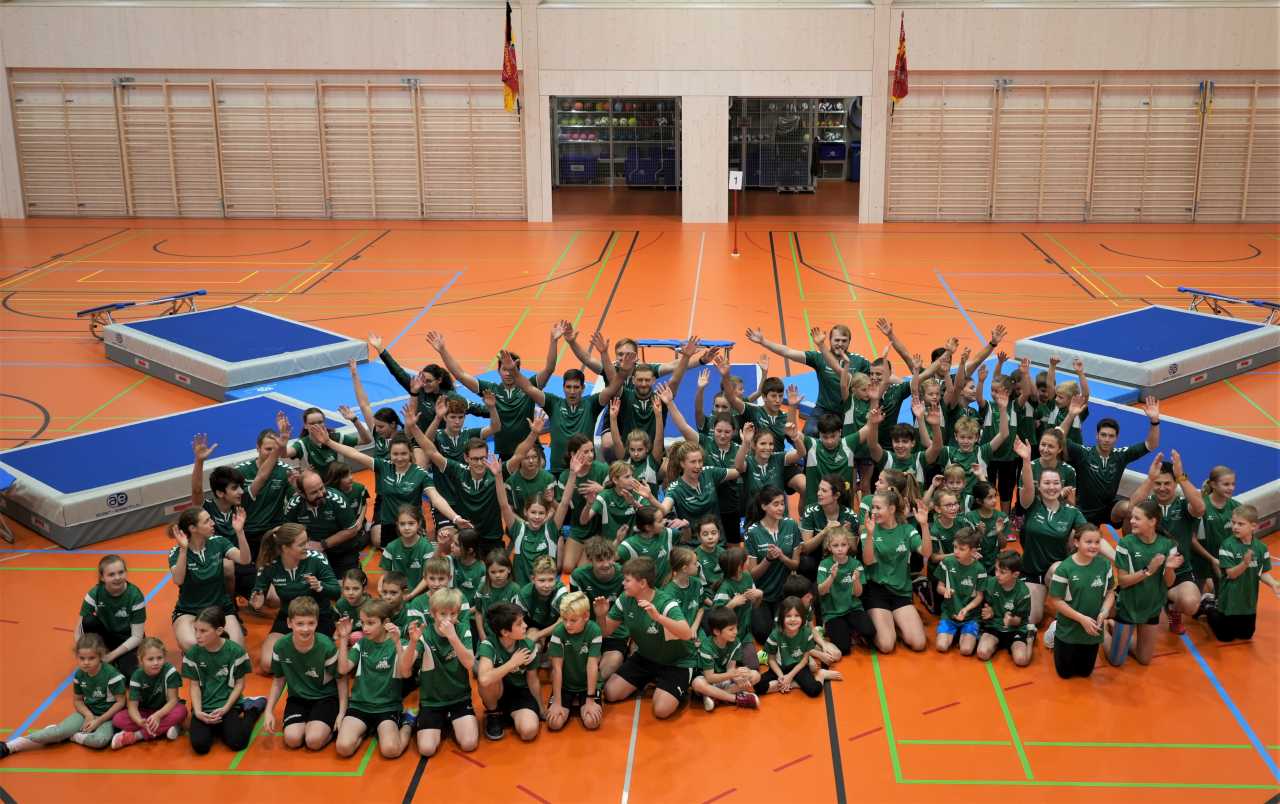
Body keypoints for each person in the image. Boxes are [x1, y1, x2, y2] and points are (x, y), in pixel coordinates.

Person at [312, 422, 467, 548]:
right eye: (395, 454)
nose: (399, 458)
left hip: (413, 526)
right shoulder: (383, 466)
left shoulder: (420, 474)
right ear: (390, 454)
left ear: (410, 453)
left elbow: (436, 498)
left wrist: (455, 518)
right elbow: (354, 454)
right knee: (393, 565)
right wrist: (328, 442)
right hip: (389, 526)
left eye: (403, 454)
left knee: (416, 565)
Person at [427, 327, 560, 462]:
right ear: (498, 371)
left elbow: (549, 369)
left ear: (517, 371)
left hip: (530, 450)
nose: (508, 373)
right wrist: (443, 350)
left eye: (511, 369)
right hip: (506, 453)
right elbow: (460, 375)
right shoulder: (491, 390)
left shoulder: (529, 386)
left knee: (540, 468)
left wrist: (553, 341)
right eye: (504, 369)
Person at [603, 556, 698, 720]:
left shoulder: (665, 603)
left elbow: (686, 633)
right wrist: (601, 615)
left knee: (661, 710)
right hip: (647, 657)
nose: (623, 584)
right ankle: (654, 679)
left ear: (642, 583)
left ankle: (681, 685)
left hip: (677, 662)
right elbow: (606, 631)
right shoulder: (625, 599)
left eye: (627, 580)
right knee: (610, 693)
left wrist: (658, 617)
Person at [0, 634, 124, 757]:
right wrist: (88, 715)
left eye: (91, 658)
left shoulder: (112, 675)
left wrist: (99, 721)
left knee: (99, 741)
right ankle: (9, 746)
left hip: (107, 717)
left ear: (101, 656)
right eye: (82, 658)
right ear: (76, 656)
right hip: (87, 713)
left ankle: (71, 736)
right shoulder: (79, 674)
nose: (86, 663)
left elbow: (121, 702)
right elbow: (78, 700)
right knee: (57, 732)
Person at [505, 345, 622, 472]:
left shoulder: (591, 404)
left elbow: (613, 386)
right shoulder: (553, 403)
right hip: (558, 471)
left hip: (585, 470)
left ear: (583, 388)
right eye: (568, 387)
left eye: (576, 387)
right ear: (563, 387)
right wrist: (513, 371)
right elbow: (528, 388)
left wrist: (605, 355)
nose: (572, 391)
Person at [1013, 437, 1089, 627]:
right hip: (1033, 572)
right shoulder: (1032, 504)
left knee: (1058, 569)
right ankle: (1047, 599)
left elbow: (1090, 535)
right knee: (1033, 619)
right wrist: (1026, 460)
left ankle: (1064, 614)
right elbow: (1027, 487)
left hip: (1056, 571)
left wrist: (1116, 556)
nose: (1052, 487)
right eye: (1046, 483)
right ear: (1039, 486)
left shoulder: (1071, 511)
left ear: (1061, 485)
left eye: (1056, 483)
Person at [1128, 451, 1205, 634]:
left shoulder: (1183, 505)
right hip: (1149, 571)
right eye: (1158, 483)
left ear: (1175, 483)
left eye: (1167, 483)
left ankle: (1171, 605)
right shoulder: (1147, 505)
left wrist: (1181, 476)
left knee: (1191, 603)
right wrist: (1150, 479)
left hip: (1180, 572)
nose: (1162, 488)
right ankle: (1159, 596)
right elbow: (1131, 507)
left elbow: (1200, 508)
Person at [745, 323, 870, 435]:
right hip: (823, 409)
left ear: (849, 342)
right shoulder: (819, 357)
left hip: (849, 410)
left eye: (844, 341)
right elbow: (788, 352)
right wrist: (763, 341)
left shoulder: (859, 361)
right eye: (837, 340)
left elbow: (876, 375)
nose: (840, 344)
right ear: (830, 340)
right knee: (809, 432)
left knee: (850, 439)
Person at [250, 523, 340, 674]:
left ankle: (296, 662)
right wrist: (257, 600)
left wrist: (320, 586)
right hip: (288, 616)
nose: (307, 546)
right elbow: (258, 590)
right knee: (267, 664)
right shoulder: (270, 564)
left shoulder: (316, 559)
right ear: (285, 548)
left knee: (319, 663)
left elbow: (336, 591)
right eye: (301, 544)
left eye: (307, 541)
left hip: (318, 616)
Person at [661, 383, 745, 543]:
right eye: (719, 431)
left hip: (729, 507)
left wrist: (746, 444)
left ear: (733, 432)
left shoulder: (738, 449)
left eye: (727, 432)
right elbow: (683, 427)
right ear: (713, 429)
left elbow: (741, 469)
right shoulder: (705, 442)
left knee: (731, 545)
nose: (722, 435)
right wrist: (670, 403)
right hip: (706, 505)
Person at [401, 588, 479, 756]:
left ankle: (451, 719)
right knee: (427, 749)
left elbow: (469, 663)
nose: (448, 619)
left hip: (459, 698)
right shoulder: (424, 634)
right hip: (432, 702)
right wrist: (413, 643)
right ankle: (412, 720)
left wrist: (452, 637)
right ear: (433, 613)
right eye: (443, 614)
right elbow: (404, 669)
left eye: (453, 614)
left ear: (458, 613)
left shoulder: (462, 629)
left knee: (469, 744)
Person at [1061, 396, 1161, 527]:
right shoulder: (1083, 453)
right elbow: (1058, 438)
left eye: (1111, 436)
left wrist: (1154, 421)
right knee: (1087, 536)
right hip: (1083, 511)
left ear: (1116, 438)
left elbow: (1151, 445)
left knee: (1130, 509)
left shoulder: (1121, 455)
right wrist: (1071, 415)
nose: (1107, 439)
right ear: (1097, 436)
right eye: (1103, 435)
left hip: (1109, 509)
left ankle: (1128, 540)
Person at [263, 596, 345, 751]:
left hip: (325, 698)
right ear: (289, 623)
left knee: (313, 741)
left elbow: (341, 680)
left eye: (310, 623)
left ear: (317, 622)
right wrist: (269, 711)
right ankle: (314, 724)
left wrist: (341, 713)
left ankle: (327, 729)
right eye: (300, 623)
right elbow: (278, 681)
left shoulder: (326, 646)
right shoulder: (281, 646)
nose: (306, 629)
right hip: (298, 699)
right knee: (292, 740)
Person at [334, 601, 413, 759]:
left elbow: (406, 673)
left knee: (391, 750)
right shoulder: (362, 643)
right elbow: (343, 669)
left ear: (385, 623)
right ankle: (366, 729)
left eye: (370, 623)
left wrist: (397, 642)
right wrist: (343, 638)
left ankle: (408, 723)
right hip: (360, 705)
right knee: (343, 748)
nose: (365, 628)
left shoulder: (400, 643)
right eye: (363, 623)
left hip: (387, 707)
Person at [183, 607, 266, 754]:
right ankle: (219, 727)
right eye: (195, 630)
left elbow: (239, 684)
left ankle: (252, 709)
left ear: (219, 631)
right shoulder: (193, 654)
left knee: (237, 742)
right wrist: (198, 712)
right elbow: (194, 686)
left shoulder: (235, 652)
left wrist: (226, 708)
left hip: (228, 705)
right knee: (200, 746)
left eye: (203, 631)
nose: (197, 635)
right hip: (204, 706)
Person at [1105, 500, 1178, 667]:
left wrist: (1169, 568)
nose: (1131, 521)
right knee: (1117, 661)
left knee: (1144, 660)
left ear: (1152, 521)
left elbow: (1169, 583)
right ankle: (1104, 633)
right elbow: (1123, 582)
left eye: (1137, 518)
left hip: (1151, 607)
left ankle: (1116, 630)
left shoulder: (1167, 545)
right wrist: (1148, 570)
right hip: (1128, 606)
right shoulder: (1126, 543)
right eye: (1132, 517)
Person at [168, 506, 249, 652]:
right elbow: (178, 580)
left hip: (220, 608)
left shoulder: (219, 542)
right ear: (193, 528)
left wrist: (240, 532)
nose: (213, 523)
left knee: (236, 649)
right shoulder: (176, 552)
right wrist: (184, 550)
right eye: (206, 521)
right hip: (189, 610)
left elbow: (245, 559)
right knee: (193, 646)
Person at [368, 333, 488, 431]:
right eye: (423, 380)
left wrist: (495, 409)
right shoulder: (417, 388)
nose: (424, 384)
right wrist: (380, 349)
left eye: (429, 381)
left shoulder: (451, 397)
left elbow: (479, 410)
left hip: (439, 443)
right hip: (418, 439)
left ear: (439, 380)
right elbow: (397, 371)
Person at [861, 489, 932, 653]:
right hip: (877, 591)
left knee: (919, 644)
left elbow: (926, 553)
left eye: (878, 508)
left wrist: (924, 525)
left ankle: (895, 625)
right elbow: (868, 561)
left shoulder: (906, 530)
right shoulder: (869, 530)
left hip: (901, 592)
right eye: (873, 508)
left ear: (892, 509)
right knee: (886, 645)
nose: (873, 512)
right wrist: (870, 535)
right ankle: (884, 625)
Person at [1047, 527, 1115, 679]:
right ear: (1076, 542)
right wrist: (1082, 619)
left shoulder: (1105, 565)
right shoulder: (1064, 568)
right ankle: (1053, 630)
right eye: (1088, 542)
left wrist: (1104, 611)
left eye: (1097, 542)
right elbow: (1056, 601)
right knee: (1065, 674)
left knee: (1085, 673)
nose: (1093, 546)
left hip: (1092, 631)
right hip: (1069, 631)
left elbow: (1110, 592)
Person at [495, 455, 569, 585]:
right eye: (533, 512)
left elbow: (564, 504)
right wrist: (498, 476)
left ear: (546, 514)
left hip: (547, 587)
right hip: (523, 589)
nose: (537, 516)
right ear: (525, 512)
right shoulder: (518, 529)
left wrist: (573, 473)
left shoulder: (550, 529)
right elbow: (504, 506)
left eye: (541, 513)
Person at [1209, 505, 1279, 642]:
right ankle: (1209, 608)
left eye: (1240, 524)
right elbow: (1231, 574)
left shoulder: (1261, 548)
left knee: (1246, 635)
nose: (1235, 527)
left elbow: (1262, 572)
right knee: (1225, 637)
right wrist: (1244, 564)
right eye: (1233, 523)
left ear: (1253, 526)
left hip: (1248, 602)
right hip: (1229, 601)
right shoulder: (1227, 545)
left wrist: (1273, 584)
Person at [744, 486, 802, 645]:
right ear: (764, 506)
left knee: (786, 630)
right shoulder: (752, 532)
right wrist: (768, 559)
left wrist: (782, 557)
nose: (781, 508)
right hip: (762, 595)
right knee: (763, 633)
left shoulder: (791, 525)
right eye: (775, 504)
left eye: (782, 503)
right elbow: (752, 575)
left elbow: (795, 565)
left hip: (784, 593)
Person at [476, 602, 543, 742]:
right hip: (498, 693)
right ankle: (494, 714)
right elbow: (484, 679)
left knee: (529, 732)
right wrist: (512, 663)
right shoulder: (489, 645)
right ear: (505, 632)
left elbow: (533, 679)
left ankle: (512, 716)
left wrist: (541, 708)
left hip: (520, 693)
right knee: (489, 679)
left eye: (523, 621)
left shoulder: (528, 645)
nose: (525, 625)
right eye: (519, 624)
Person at [753, 597, 842, 698]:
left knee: (814, 690)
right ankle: (794, 684)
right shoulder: (775, 635)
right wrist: (781, 676)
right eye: (788, 616)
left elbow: (804, 660)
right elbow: (771, 660)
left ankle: (821, 675)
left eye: (797, 616)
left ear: (802, 618)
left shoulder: (807, 633)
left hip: (799, 667)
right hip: (780, 668)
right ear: (782, 618)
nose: (793, 619)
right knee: (757, 685)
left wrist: (790, 676)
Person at [76, 554, 145, 680]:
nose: (117, 577)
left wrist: (110, 656)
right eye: (111, 574)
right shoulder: (95, 593)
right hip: (106, 638)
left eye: (121, 572)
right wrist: (83, 654)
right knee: (89, 620)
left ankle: (113, 660)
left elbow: (137, 637)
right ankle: (101, 653)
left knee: (131, 676)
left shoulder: (135, 596)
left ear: (126, 572)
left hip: (128, 639)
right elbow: (79, 627)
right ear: (102, 577)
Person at [283, 469, 362, 580]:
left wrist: (322, 545)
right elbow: (288, 532)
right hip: (310, 551)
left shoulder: (337, 500)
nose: (321, 494)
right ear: (302, 494)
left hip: (342, 550)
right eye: (314, 492)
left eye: (321, 488)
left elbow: (352, 530)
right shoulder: (293, 506)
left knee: (346, 585)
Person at [569, 537, 628, 682]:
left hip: (615, 634)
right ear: (590, 560)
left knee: (612, 663)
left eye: (609, 558)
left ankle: (596, 685)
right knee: (576, 665)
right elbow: (576, 610)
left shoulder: (625, 576)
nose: (606, 564)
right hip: (588, 631)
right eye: (600, 560)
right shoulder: (578, 576)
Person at [110, 637, 186, 748]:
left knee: (181, 711)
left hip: (165, 710)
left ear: (164, 657)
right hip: (145, 713)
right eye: (150, 659)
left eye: (159, 658)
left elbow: (173, 700)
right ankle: (167, 728)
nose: (156, 663)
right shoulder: (136, 676)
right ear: (141, 660)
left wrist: (158, 715)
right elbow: (132, 706)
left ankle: (137, 736)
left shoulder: (169, 671)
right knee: (118, 719)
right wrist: (139, 721)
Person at [546, 592, 605, 732]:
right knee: (554, 724)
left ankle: (582, 701)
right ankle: (571, 701)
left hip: (586, 686)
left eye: (573, 620)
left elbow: (592, 666)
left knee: (592, 722)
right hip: (565, 686)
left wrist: (590, 699)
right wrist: (557, 702)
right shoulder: (558, 632)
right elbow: (557, 669)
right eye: (564, 619)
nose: (567, 624)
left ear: (586, 616)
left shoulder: (594, 630)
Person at [817, 526, 875, 656]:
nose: (840, 549)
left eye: (843, 545)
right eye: (835, 545)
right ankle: (834, 629)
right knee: (844, 648)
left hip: (853, 608)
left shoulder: (856, 564)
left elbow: (858, 593)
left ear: (849, 546)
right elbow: (821, 591)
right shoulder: (824, 565)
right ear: (829, 547)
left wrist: (856, 580)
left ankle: (850, 630)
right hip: (833, 613)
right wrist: (831, 577)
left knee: (870, 632)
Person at [557, 435, 610, 572]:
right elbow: (561, 506)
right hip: (578, 528)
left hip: (599, 529)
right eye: (586, 452)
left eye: (592, 450)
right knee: (567, 567)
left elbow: (615, 497)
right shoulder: (565, 477)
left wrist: (601, 490)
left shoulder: (603, 469)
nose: (591, 455)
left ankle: (588, 550)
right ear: (573, 454)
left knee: (583, 569)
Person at [692, 606, 761, 712]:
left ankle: (714, 697)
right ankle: (736, 699)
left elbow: (730, 668)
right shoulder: (706, 647)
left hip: (724, 680)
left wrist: (739, 678)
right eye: (731, 629)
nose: (736, 632)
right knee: (697, 683)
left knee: (755, 675)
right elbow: (710, 678)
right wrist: (733, 675)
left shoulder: (735, 642)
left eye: (736, 628)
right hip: (709, 682)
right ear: (717, 631)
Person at [934, 528, 988, 656]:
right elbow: (939, 587)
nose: (956, 552)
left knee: (966, 650)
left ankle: (966, 634)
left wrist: (966, 610)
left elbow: (979, 597)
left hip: (970, 617)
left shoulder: (979, 569)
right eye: (955, 547)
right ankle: (956, 634)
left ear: (973, 551)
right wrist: (945, 590)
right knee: (941, 646)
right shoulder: (947, 562)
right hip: (950, 614)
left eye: (962, 549)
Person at [976, 551, 1033, 667]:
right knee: (982, 653)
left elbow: (1019, 621)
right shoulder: (990, 584)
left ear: (1015, 574)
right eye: (996, 570)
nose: (997, 574)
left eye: (1002, 572)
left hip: (1015, 629)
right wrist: (989, 613)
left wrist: (1011, 620)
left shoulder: (1023, 592)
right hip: (995, 625)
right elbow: (985, 607)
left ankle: (1030, 638)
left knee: (1021, 660)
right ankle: (998, 643)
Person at [711, 546, 763, 670]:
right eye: (746, 559)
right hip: (727, 638)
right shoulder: (725, 587)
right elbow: (714, 616)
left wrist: (760, 595)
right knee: (725, 669)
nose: (749, 560)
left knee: (754, 668)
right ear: (739, 567)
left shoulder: (747, 576)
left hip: (744, 635)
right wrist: (732, 604)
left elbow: (755, 605)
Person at [799, 474, 860, 580]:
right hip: (815, 558)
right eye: (819, 489)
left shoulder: (850, 516)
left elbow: (853, 551)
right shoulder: (810, 511)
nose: (819, 493)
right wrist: (825, 531)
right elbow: (805, 549)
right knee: (805, 562)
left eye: (824, 491)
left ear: (836, 496)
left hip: (839, 560)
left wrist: (847, 534)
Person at [279, 407, 362, 479]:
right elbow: (284, 454)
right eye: (312, 423)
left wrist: (355, 420)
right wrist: (283, 437)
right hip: (316, 488)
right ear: (305, 426)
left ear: (324, 423)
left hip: (339, 483)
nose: (317, 426)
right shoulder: (302, 444)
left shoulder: (336, 438)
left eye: (320, 422)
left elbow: (365, 440)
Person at [1196, 465, 1239, 598]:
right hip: (1200, 560)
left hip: (1226, 562)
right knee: (1194, 601)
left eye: (1233, 484)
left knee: (1226, 601)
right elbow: (1192, 539)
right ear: (1213, 485)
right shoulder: (1201, 507)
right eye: (1226, 484)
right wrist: (1211, 559)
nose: (1231, 488)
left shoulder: (1237, 508)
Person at [380, 505, 435, 600]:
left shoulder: (426, 548)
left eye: (411, 523)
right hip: (396, 596)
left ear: (419, 523)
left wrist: (411, 595)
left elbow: (427, 578)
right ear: (397, 525)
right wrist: (384, 590)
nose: (406, 528)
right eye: (402, 524)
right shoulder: (391, 547)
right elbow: (386, 576)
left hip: (420, 596)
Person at [618, 507, 680, 587]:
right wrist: (617, 541)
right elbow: (612, 558)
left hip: (667, 588)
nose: (664, 522)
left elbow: (686, 537)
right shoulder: (630, 545)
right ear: (648, 527)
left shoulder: (667, 533)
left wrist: (685, 525)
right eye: (660, 521)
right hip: (645, 590)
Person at [517, 555, 568, 647]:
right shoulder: (524, 595)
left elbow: (565, 620)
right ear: (533, 579)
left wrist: (539, 635)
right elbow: (517, 621)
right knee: (532, 645)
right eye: (542, 580)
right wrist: (529, 635)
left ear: (556, 578)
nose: (547, 585)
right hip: (534, 625)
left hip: (556, 628)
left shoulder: (561, 592)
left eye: (551, 580)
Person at [474, 552, 521, 643]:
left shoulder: (515, 589)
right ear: (487, 572)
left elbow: (517, 617)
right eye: (493, 572)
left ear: (509, 569)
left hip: (508, 636)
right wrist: (482, 636)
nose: (497, 575)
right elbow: (478, 612)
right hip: (487, 636)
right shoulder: (482, 587)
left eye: (501, 571)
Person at [662, 546, 709, 634]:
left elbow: (701, 608)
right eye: (695, 563)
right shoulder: (669, 593)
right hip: (680, 633)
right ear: (685, 569)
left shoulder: (696, 582)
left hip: (697, 629)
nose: (698, 565)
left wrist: (694, 628)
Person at [335, 568, 369, 643]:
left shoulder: (370, 605)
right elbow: (337, 625)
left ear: (364, 589)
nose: (350, 593)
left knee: (355, 637)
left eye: (355, 589)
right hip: (346, 633)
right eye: (347, 588)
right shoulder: (340, 604)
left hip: (366, 635)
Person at [694, 516, 727, 589]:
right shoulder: (694, 557)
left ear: (719, 534)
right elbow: (696, 584)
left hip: (723, 588)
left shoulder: (723, 552)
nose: (710, 537)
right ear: (699, 537)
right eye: (705, 534)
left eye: (714, 533)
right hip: (706, 591)